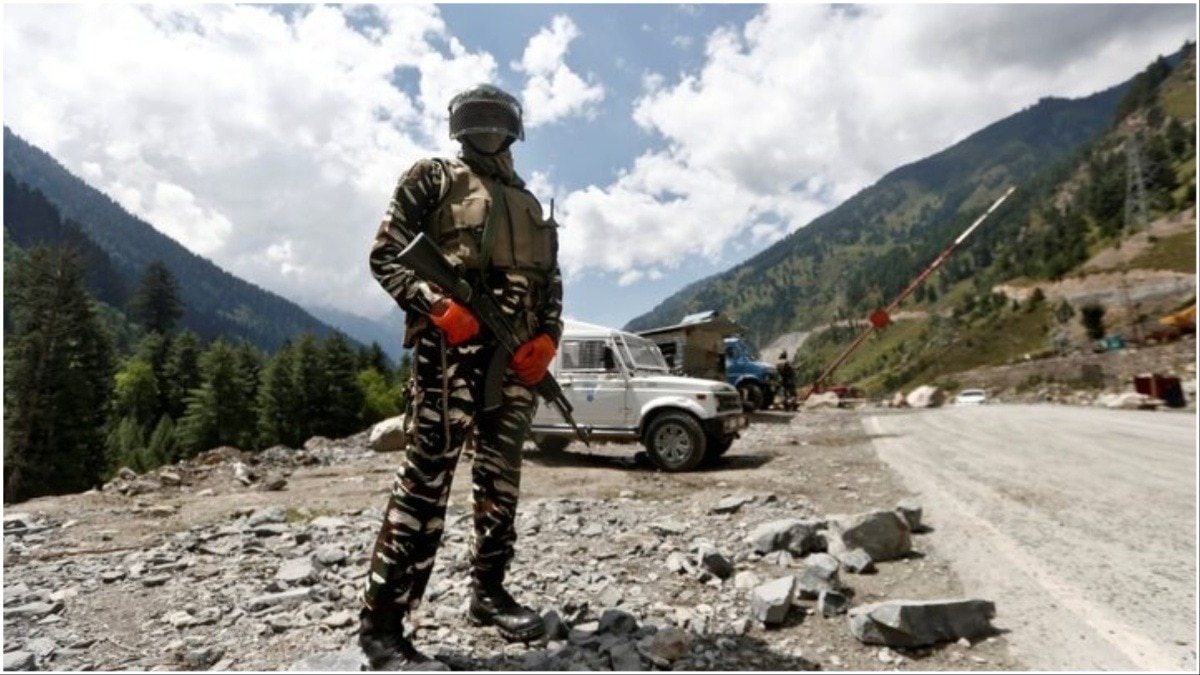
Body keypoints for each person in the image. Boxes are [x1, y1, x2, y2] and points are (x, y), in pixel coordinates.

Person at [359, 83, 563, 670]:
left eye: (496, 121)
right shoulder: (432, 176)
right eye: (477, 121)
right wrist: (432, 304)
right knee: (425, 483)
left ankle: (489, 594)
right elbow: (386, 253)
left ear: (514, 128)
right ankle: (382, 629)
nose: (487, 130)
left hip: (517, 359)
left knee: (502, 481)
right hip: (451, 355)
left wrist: (548, 338)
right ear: (458, 128)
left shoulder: (527, 202)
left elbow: (552, 284)